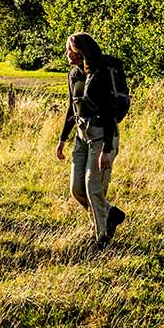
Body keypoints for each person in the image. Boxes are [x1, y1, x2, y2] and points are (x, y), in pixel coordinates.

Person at [55, 32, 128, 244]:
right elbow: (72, 108)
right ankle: (110, 214)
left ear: (80, 52)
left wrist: (107, 150)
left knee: (93, 189)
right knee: (77, 189)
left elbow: (109, 113)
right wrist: (62, 139)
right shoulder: (73, 75)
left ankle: (101, 238)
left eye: (69, 50)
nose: (66, 54)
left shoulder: (100, 74)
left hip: (101, 137)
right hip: (81, 137)